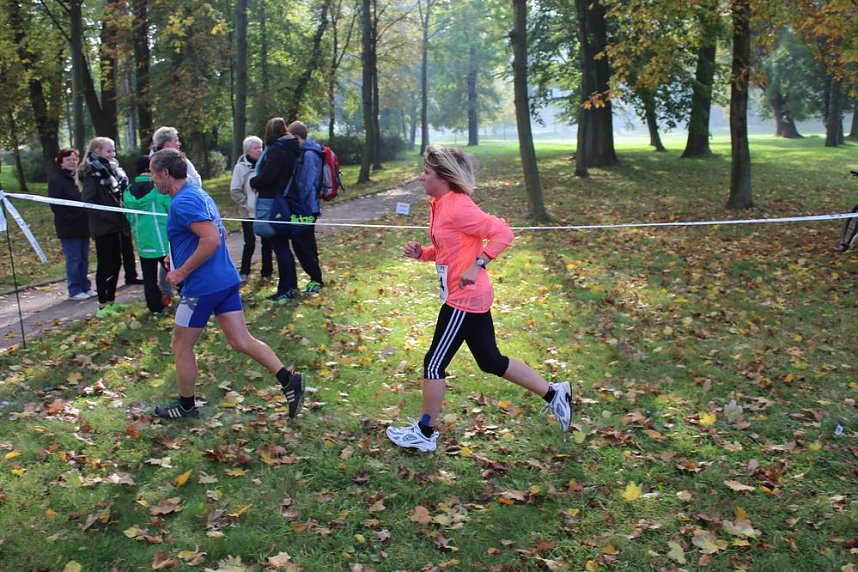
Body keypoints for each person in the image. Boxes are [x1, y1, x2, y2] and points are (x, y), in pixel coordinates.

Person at [385, 144, 573, 453]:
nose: (422, 177)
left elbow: (503, 233)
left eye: (427, 173)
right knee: (490, 360)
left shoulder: (459, 205)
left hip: (464, 299)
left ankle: (424, 432)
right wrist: (422, 254)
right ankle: (555, 394)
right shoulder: (442, 204)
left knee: (433, 364)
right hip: (469, 296)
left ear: (443, 177)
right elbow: (449, 251)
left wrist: (479, 264)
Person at [149, 148, 304, 420]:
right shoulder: (197, 193)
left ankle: (186, 407)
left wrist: (181, 271)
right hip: (224, 281)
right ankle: (289, 380)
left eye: (153, 173)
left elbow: (211, 240)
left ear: (165, 173)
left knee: (180, 345)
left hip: (201, 288)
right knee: (241, 340)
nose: (151, 179)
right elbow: (198, 236)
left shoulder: (183, 201)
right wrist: (175, 258)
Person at [78, 137, 132, 318]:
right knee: (105, 264)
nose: (112, 154)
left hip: (116, 225)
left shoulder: (111, 171)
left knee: (117, 263)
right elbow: (88, 201)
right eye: (108, 151)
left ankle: (111, 301)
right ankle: (102, 305)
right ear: (97, 152)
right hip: (103, 227)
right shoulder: (92, 174)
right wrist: (108, 215)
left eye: (113, 151)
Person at [249, 117, 301, 302]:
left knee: (280, 246)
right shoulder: (290, 148)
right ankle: (290, 285)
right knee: (282, 246)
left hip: (272, 201)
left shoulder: (277, 150)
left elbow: (269, 175)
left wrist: (254, 181)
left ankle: (285, 289)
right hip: (283, 199)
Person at [123, 156, 173, 314]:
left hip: (142, 242)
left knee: (149, 279)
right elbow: (171, 209)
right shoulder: (158, 189)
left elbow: (127, 215)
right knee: (177, 272)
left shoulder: (128, 191)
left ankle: (155, 308)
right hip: (163, 241)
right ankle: (190, 300)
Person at [48, 148, 95, 300]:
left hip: (83, 225)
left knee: (84, 258)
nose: (72, 162)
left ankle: (85, 286)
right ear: (61, 162)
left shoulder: (79, 178)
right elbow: (56, 205)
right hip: (68, 227)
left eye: (74, 159)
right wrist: (70, 217)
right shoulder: (56, 180)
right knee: (73, 259)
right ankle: (74, 289)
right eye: (68, 159)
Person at [286, 120, 324, 293]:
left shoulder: (309, 154)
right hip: (305, 206)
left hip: (306, 207)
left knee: (302, 244)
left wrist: (296, 200)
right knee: (305, 243)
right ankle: (315, 278)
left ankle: (316, 279)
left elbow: (307, 182)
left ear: (296, 136)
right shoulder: (306, 152)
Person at [230, 136, 273, 283]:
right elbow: (235, 190)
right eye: (256, 148)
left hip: (264, 211)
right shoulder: (240, 168)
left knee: (267, 242)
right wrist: (246, 203)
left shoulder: (266, 164)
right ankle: (244, 272)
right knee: (250, 243)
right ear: (248, 151)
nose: (260, 150)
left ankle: (267, 272)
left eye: (261, 147)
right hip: (247, 213)